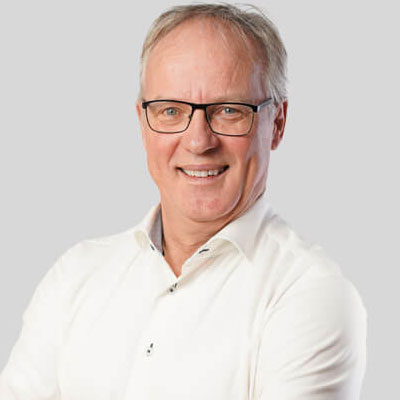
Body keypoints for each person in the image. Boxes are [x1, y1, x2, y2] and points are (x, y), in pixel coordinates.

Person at [0, 3, 367, 399]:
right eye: (171, 111)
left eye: (229, 110)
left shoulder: (311, 295)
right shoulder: (74, 276)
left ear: (277, 122)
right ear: (143, 124)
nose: (198, 141)